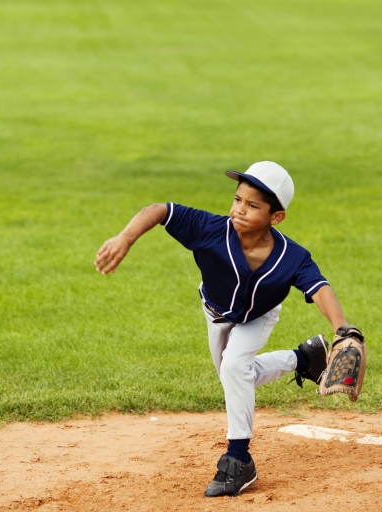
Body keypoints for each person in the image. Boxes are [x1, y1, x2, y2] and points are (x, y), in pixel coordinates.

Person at [94, 161, 351, 497]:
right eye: (237, 199)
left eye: (253, 205)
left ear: (276, 217)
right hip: (214, 312)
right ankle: (303, 359)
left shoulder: (292, 257)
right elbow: (159, 210)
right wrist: (125, 237)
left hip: (258, 317)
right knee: (236, 376)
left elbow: (318, 287)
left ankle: (238, 460)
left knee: (234, 368)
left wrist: (343, 329)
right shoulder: (210, 229)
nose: (239, 210)